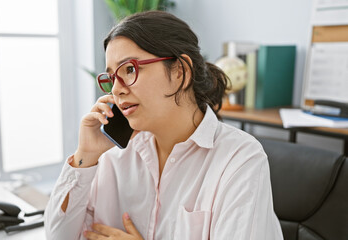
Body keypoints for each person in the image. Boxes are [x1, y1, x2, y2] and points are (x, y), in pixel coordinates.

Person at [44, 11, 283, 240]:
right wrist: (85, 156)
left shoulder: (240, 159)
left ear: (180, 71)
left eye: (129, 69)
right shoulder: (112, 155)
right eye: (112, 77)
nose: (117, 89)